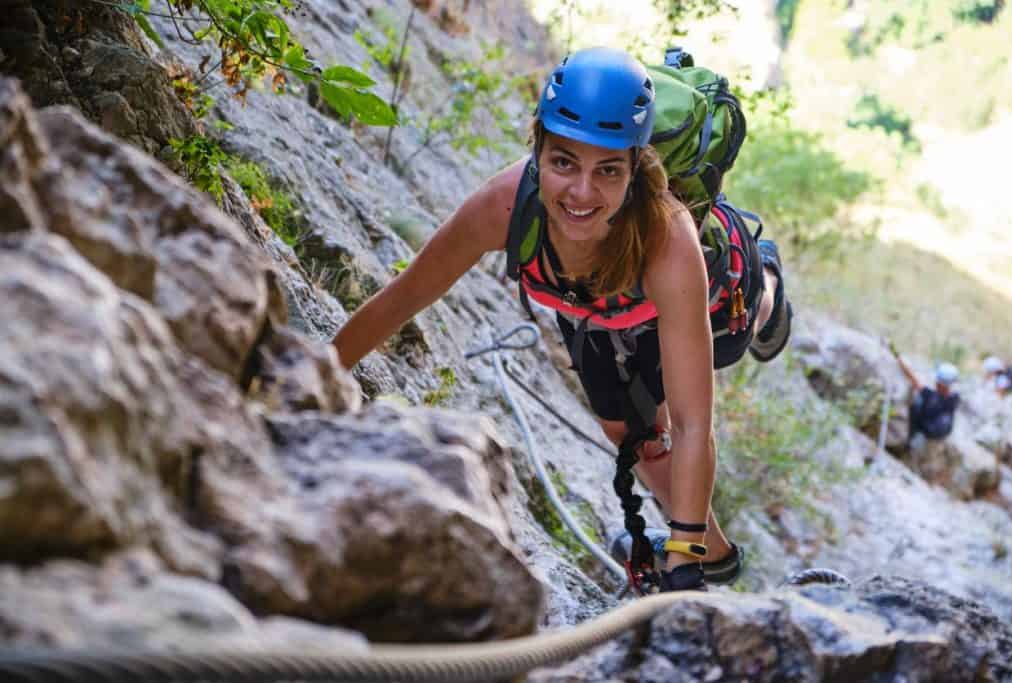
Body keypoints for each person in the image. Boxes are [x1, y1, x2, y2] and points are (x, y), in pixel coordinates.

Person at [332, 47, 792, 592]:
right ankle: (713, 551)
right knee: (630, 432)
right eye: (563, 162)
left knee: (750, 307)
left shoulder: (668, 237)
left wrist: (681, 563)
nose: (580, 192)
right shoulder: (505, 206)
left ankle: (770, 283)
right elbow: (400, 300)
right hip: (596, 308)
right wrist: (311, 371)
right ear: (537, 151)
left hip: (712, 302)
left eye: (608, 171)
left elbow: (695, 425)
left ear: (636, 169)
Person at [892, 346, 960, 450]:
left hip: (928, 429)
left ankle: (912, 439)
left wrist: (898, 359)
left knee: (915, 404)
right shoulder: (955, 397)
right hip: (944, 430)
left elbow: (913, 380)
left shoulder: (930, 395)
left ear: (939, 384)